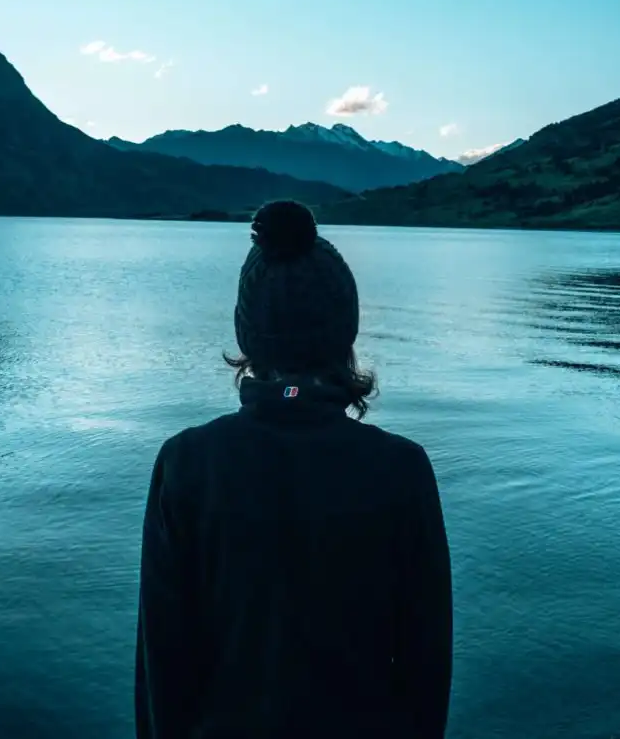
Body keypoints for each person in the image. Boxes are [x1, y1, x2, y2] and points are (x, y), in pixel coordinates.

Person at [135, 200, 453, 739]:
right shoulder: (401, 470)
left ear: (246, 336)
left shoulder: (186, 464)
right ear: (344, 331)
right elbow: (427, 669)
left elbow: (163, 670)